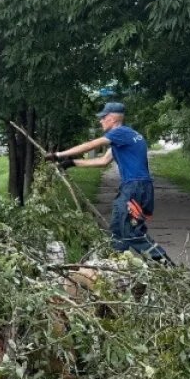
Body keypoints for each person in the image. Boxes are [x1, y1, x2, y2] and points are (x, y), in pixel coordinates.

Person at [47, 102, 171, 263]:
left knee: (131, 232)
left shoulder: (120, 132)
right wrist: (72, 163)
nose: (100, 121)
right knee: (117, 229)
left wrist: (58, 155)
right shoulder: (126, 136)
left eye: (103, 118)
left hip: (135, 187)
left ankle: (166, 265)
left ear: (112, 118)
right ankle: (115, 266)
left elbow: (91, 145)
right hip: (134, 187)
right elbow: (104, 161)